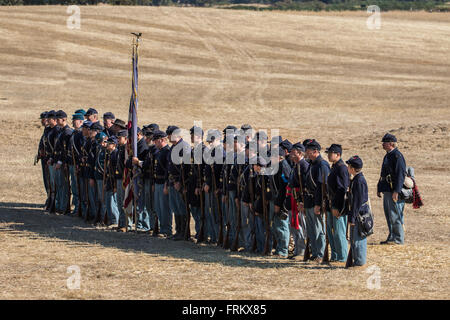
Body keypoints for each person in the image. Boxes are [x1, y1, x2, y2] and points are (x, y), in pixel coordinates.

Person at [377, 133, 406, 245]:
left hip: (393, 189)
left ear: (390, 144)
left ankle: (398, 239)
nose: (382, 145)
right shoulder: (388, 155)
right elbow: (383, 174)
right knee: (388, 214)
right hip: (387, 189)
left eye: (384, 142)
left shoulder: (397, 156)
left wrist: (396, 191)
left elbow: (400, 174)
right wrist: (379, 188)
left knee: (395, 214)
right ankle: (391, 236)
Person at [304, 139, 329, 263]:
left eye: (308, 151)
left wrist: (318, 204)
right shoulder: (312, 164)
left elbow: (321, 187)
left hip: (316, 201)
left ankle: (320, 254)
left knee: (319, 229)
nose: (306, 153)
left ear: (315, 151)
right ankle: (314, 253)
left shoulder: (322, 165)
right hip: (309, 200)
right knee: (311, 229)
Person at [325, 143, 349, 263]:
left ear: (338, 154)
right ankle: (335, 255)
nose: (328, 155)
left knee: (339, 233)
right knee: (331, 232)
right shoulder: (334, 167)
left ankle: (342, 256)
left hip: (338, 206)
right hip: (331, 204)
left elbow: (342, 190)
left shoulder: (341, 168)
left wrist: (337, 207)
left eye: (330, 153)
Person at [166, 126, 190, 240]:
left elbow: (186, 167)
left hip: (180, 183)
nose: (168, 136)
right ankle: (179, 231)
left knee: (181, 207)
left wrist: (180, 182)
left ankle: (184, 232)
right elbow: (169, 167)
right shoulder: (173, 147)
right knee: (175, 208)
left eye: (170, 134)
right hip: (172, 182)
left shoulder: (184, 147)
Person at [287, 142, 309, 260]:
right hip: (293, 200)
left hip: (299, 201)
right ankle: (298, 249)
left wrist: (302, 202)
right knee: (295, 226)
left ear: (300, 153)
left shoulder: (303, 166)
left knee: (299, 226)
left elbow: (305, 186)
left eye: (293, 152)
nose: (290, 154)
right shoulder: (297, 165)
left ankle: (301, 251)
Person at [346, 155, 369, 268]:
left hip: (359, 214)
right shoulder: (356, 179)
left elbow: (357, 201)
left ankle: (359, 261)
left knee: (358, 238)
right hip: (357, 212)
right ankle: (357, 259)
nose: (347, 168)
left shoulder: (359, 181)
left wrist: (353, 217)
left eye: (349, 166)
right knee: (355, 237)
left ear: (353, 168)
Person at [152, 130, 172, 238]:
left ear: (162, 140)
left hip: (163, 183)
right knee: (159, 208)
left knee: (165, 208)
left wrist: (166, 184)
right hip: (157, 182)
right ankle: (162, 228)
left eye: (156, 141)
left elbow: (167, 171)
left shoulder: (167, 151)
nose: (154, 143)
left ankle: (166, 230)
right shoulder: (159, 152)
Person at [130, 127, 150, 232]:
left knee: (143, 202)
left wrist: (137, 163)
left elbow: (145, 163)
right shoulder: (137, 145)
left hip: (142, 177)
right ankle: (140, 224)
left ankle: (144, 225)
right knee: (139, 202)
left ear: (137, 135)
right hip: (138, 176)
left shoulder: (143, 145)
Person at [113, 130, 132, 232]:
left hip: (125, 178)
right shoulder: (120, 148)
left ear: (125, 138)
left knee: (125, 202)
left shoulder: (127, 149)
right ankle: (121, 223)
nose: (117, 140)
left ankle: (127, 224)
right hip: (119, 177)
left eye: (119, 138)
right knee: (120, 201)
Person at [142, 124, 160, 234]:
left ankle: (155, 226)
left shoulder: (155, 151)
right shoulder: (150, 150)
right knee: (148, 204)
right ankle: (152, 226)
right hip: (148, 179)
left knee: (153, 205)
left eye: (148, 137)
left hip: (152, 180)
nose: (146, 139)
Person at [68, 113, 85, 216]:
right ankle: (77, 208)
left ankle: (79, 209)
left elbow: (81, 151)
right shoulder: (74, 133)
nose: (73, 122)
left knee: (78, 187)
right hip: (72, 162)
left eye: (75, 121)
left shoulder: (80, 134)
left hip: (78, 164)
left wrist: (78, 163)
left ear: (80, 121)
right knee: (74, 187)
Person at [104, 136, 120, 226]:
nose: (107, 144)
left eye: (109, 143)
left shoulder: (115, 154)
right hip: (109, 179)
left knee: (112, 202)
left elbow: (115, 171)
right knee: (108, 201)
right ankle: (111, 219)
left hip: (113, 180)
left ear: (114, 145)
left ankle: (115, 220)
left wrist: (115, 185)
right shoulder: (110, 153)